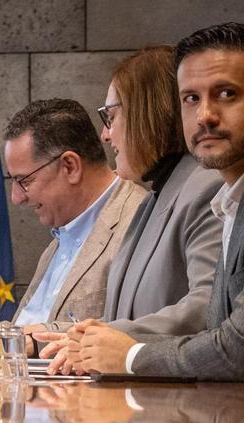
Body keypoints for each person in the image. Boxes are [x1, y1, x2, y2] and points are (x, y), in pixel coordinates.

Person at [60, 22, 244, 381]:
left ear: (148, 112)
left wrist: (130, 355)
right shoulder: (215, 197)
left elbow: (234, 343)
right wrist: (72, 339)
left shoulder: (207, 189)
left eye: (226, 93)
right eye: (191, 99)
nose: (205, 115)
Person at [36, 46, 224, 371]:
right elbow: (123, 320)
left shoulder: (205, 186)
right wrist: (48, 336)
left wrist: (107, 339)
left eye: (110, 117)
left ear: (144, 113)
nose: (105, 135)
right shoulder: (154, 196)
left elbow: (209, 306)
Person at [0, 99, 147, 352]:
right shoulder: (62, 238)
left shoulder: (140, 222)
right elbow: (20, 334)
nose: (16, 197)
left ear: (70, 166)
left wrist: (33, 341)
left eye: (24, 180)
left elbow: (137, 332)